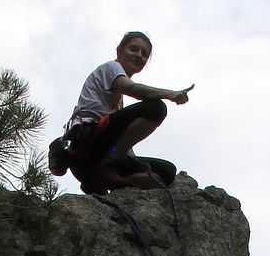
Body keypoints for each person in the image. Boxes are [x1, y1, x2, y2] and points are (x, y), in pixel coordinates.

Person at [49, 31, 193, 194]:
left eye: (144, 54)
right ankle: (108, 165)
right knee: (156, 108)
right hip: (89, 140)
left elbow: (125, 139)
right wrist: (169, 94)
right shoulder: (111, 68)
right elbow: (132, 88)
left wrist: (130, 162)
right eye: (133, 49)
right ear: (119, 51)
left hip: (99, 157)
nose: (138, 55)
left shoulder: (118, 99)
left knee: (167, 172)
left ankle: (103, 180)